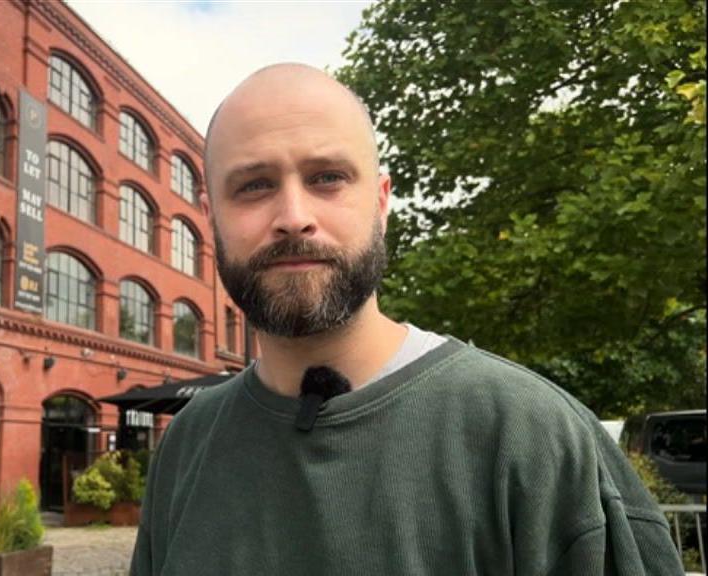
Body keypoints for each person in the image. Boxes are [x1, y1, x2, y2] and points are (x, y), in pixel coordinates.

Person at [129, 64, 685, 576]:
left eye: (327, 177)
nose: (294, 218)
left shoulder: (535, 438)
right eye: (254, 185)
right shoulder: (187, 447)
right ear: (210, 216)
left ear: (381, 201)